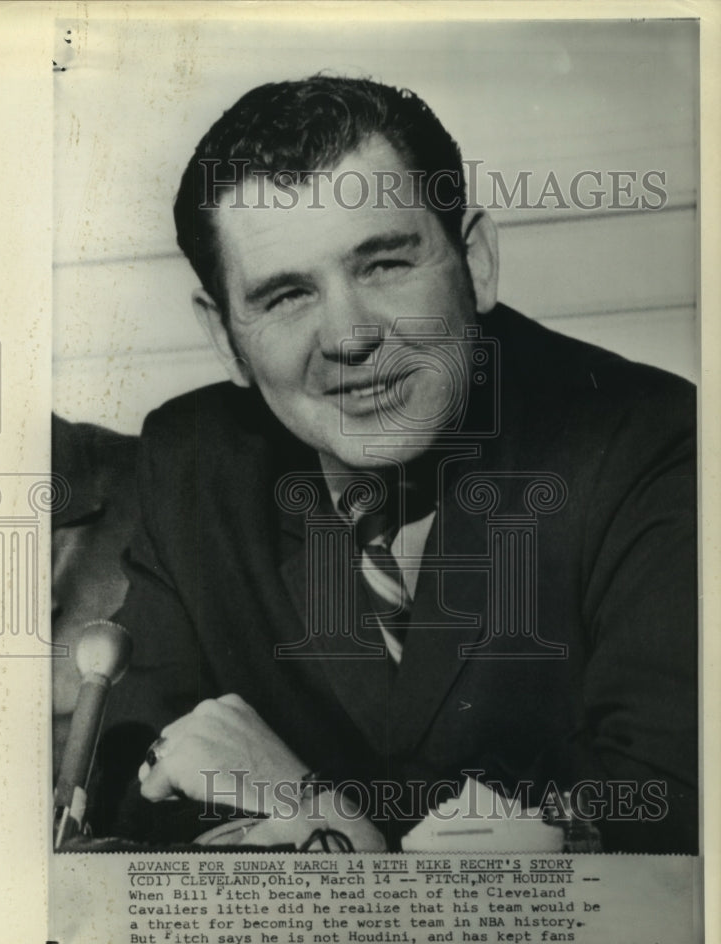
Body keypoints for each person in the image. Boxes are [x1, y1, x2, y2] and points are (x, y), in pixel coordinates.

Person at [106, 76, 696, 853]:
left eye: (383, 264)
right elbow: (133, 810)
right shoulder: (192, 463)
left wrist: (324, 822)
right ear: (225, 338)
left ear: (475, 260)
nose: (350, 335)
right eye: (286, 295)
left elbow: (665, 829)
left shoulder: (648, 441)